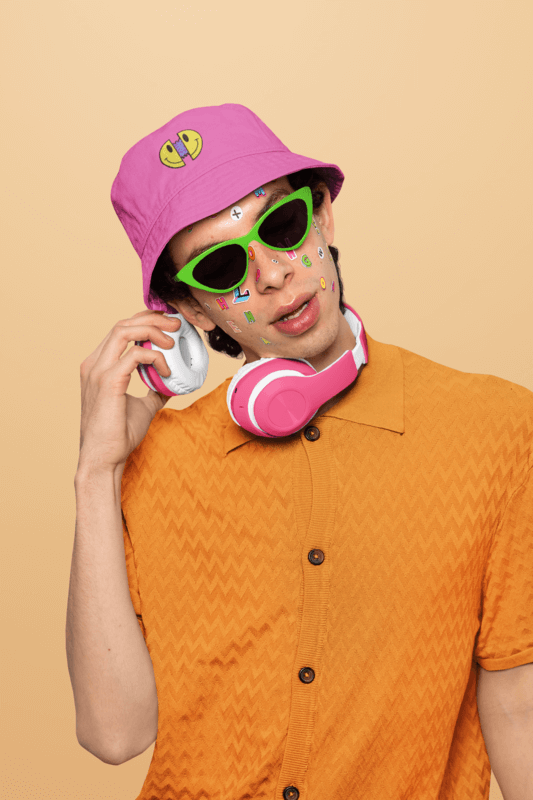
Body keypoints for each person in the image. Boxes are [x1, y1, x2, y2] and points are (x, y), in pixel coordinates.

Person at [67, 104, 533, 800]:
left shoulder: (494, 428)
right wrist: (96, 472)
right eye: (223, 266)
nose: (274, 275)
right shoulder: (153, 462)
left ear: (322, 217)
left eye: (282, 228)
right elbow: (114, 734)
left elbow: (518, 711)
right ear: (190, 311)